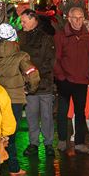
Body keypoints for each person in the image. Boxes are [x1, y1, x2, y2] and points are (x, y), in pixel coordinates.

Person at [0, 23, 39, 176]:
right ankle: (14, 168)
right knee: (11, 134)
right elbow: (32, 74)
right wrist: (31, 88)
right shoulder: (21, 56)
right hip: (14, 99)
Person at [53, 6, 89, 154]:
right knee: (63, 112)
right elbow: (56, 59)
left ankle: (79, 142)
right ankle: (62, 140)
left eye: (80, 18)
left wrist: (87, 75)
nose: (78, 21)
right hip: (65, 80)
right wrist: (61, 77)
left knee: (80, 112)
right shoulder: (61, 36)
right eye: (75, 18)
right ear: (69, 19)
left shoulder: (86, 36)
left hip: (81, 81)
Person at [19, 9, 57, 157]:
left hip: (44, 83)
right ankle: (34, 142)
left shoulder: (46, 38)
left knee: (46, 115)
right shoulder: (21, 37)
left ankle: (48, 143)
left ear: (33, 19)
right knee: (32, 115)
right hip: (30, 84)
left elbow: (50, 60)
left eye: (24, 21)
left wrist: (35, 74)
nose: (22, 24)